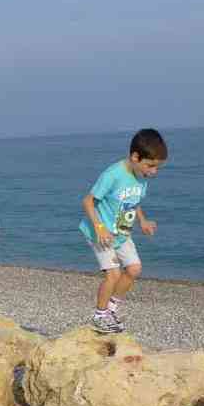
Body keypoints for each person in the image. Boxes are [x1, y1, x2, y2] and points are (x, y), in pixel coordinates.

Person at [79, 128, 167, 333]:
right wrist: (99, 228)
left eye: (158, 167)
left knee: (134, 269)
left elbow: (134, 202)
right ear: (135, 157)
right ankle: (99, 316)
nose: (154, 172)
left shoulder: (141, 176)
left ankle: (111, 309)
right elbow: (88, 201)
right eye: (151, 165)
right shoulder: (113, 175)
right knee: (113, 274)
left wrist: (143, 221)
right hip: (100, 233)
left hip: (121, 233)